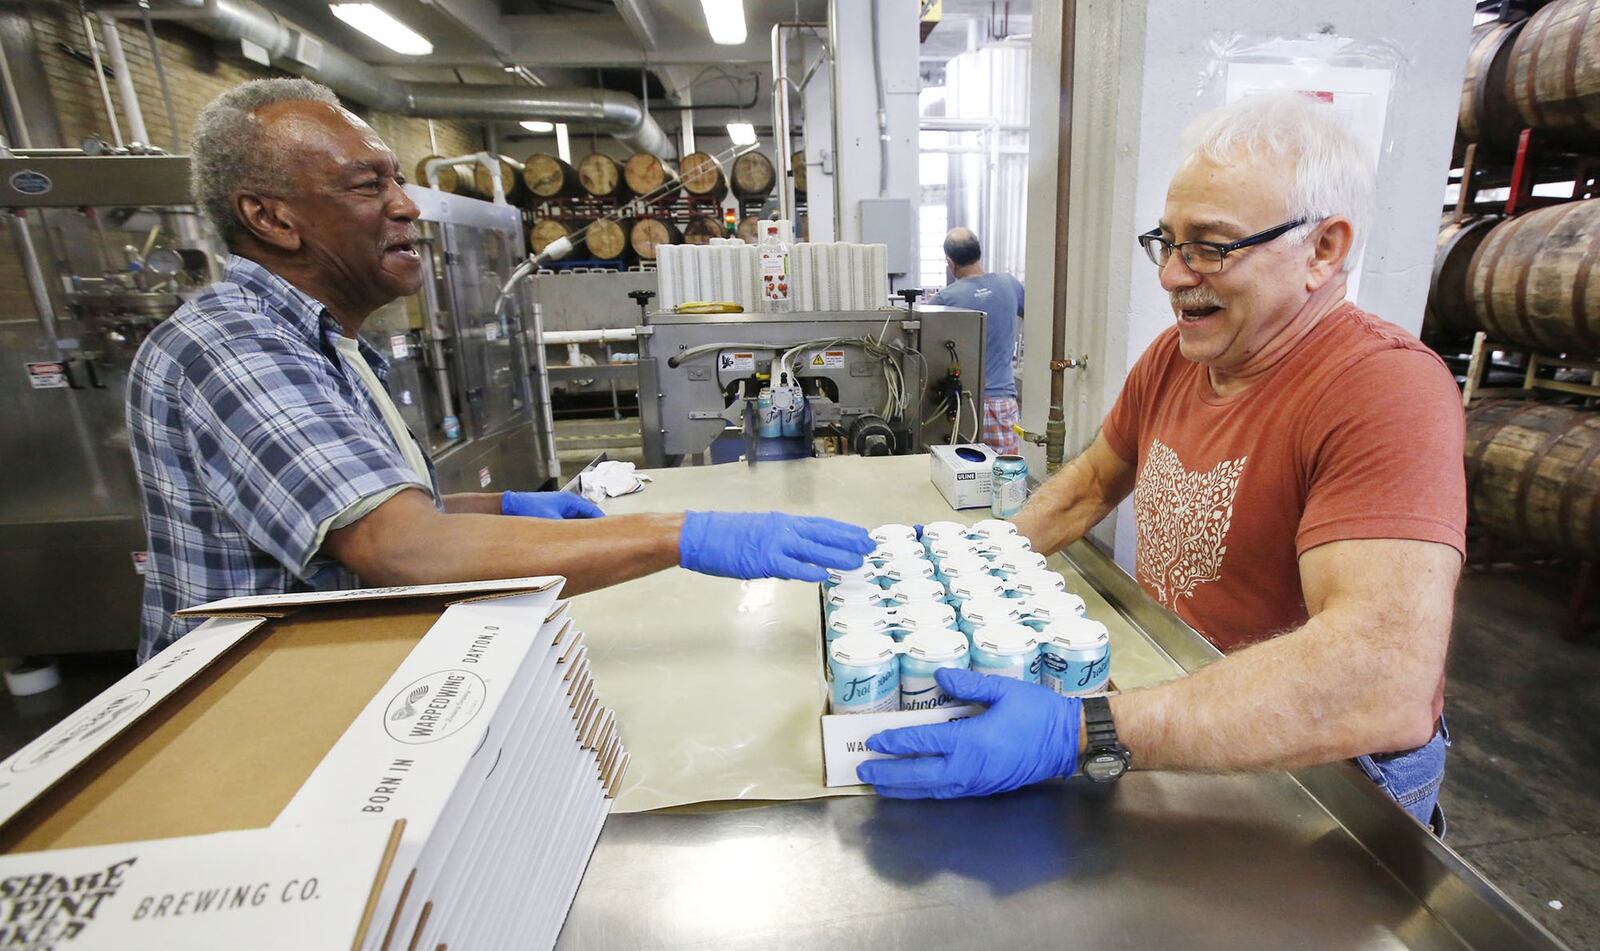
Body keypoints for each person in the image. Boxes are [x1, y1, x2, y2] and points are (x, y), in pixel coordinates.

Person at [859, 93, 1465, 834]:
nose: (1173, 276)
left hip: (1325, 777)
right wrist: (955, 576)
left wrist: (1083, 731)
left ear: (1324, 249)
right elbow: (1086, 487)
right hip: (1191, 704)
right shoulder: (1180, 358)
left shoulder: (1383, 388)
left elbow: (1378, 678)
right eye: (1168, 242)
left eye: (1211, 245)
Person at [126, 78, 873, 663]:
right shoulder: (235, 345)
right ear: (270, 217)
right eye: (366, 186)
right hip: (261, 714)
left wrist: (503, 508)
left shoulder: (321, 338)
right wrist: (683, 533)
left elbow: (374, 519)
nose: (404, 205)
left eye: (396, 179)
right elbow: (401, 549)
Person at [930, 229, 1025, 454]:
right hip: (1002, 403)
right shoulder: (1009, 283)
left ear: (950, 262)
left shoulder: (946, 298)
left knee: (963, 475)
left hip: (963, 405)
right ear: (979, 253)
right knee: (1006, 477)